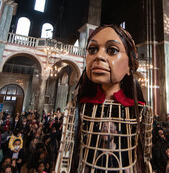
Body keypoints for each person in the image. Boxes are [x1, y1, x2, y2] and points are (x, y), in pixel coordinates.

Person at [54, 25, 153, 173]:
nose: (98, 56)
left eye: (112, 50)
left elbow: (145, 159)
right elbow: (65, 156)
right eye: (92, 49)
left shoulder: (142, 111)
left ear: (129, 66)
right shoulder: (77, 107)